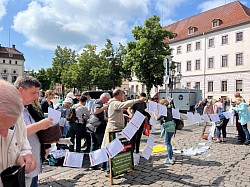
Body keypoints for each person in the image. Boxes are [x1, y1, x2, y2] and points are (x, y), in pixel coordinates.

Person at [14, 75, 53, 187]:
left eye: (37, 93)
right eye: (33, 92)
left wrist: (45, 147)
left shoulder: (29, 108)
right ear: (20, 90)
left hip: (33, 163)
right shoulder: (10, 109)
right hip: (21, 165)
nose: (36, 96)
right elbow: (14, 134)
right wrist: (40, 125)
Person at [0, 80, 36, 187]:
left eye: (11, 127)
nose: (5, 134)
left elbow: (23, 144)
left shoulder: (17, 115)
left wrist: (26, 156)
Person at [101, 89, 146, 174]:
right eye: (122, 94)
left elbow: (116, 113)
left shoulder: (114, 102)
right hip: (113, 130)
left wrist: (124, 116)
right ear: (117, 95)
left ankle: (117, 168)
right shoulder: (115, 102)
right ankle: (108, 170)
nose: (123, 95)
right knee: (111, 150)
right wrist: (138, 100)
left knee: (118, 150)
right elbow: (124, 104)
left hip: (117, 129)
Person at [88, 93, 110, 170]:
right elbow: (96, 111)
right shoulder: (98, 102)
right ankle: (102, 165)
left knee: (94, 145)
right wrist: (105, 107)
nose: (107, 101)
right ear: (104, 98)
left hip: (94, 126)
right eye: (107, 100)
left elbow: (100, 115)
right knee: (102, 145)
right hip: (97, 127)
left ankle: (93, 164)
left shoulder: (96, 102)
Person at [157, 99, 176, 165]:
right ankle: (171, 156)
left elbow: (158, 118)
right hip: (172, 126)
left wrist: (154, 114)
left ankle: (170, 159)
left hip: (168, 127)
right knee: (169, 142)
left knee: (167, 143)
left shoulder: (164, 110)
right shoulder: (169, 108)